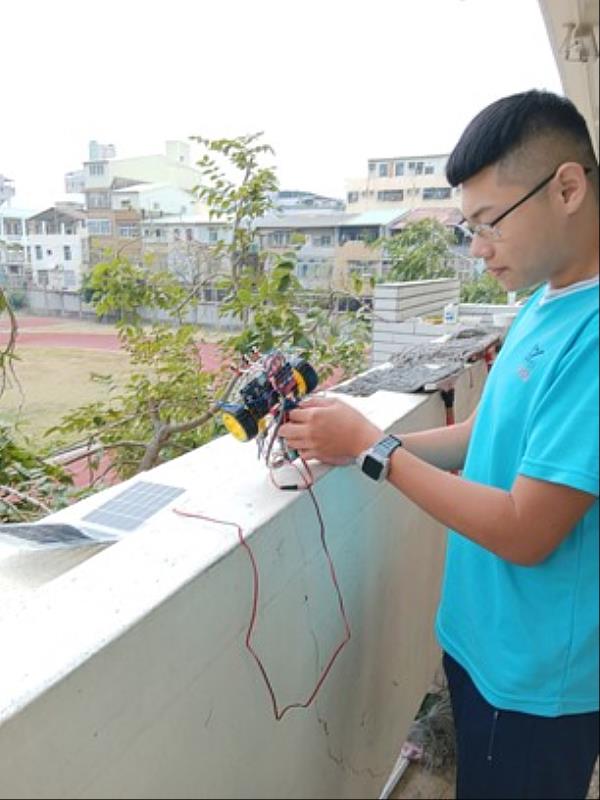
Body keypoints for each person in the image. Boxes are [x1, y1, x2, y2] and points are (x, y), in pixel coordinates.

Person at [279, 90, 599, 800]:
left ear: (568, 187)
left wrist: (376, 450)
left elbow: (526, 531)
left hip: (536, 681)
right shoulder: (548, 300)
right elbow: (489, 438)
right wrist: (361, 439)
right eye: (468, 228)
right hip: (481, 640)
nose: (478, 250)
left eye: (490, 224)